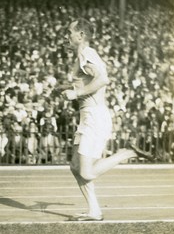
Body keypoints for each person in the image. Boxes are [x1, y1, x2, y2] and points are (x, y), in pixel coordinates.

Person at [61, 18, 154, 221]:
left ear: (81, 35)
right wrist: (69, 90)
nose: (66, 35)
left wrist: (75, 95)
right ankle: (94, 211)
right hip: (87, 117)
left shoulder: (86, 53)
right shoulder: (81, 56)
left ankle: (126, 153)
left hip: (95, 117)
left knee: (86, 172)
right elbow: (89, 82)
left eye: (70, 31)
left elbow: (103, 79)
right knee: (76, 167)